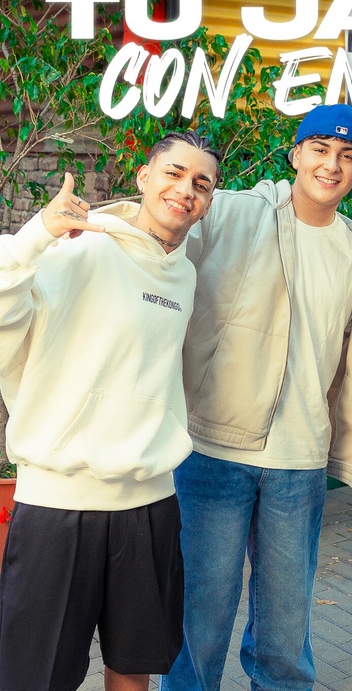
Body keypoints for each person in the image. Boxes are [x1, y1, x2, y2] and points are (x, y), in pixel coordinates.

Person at [160, 104, 352, 691]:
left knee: (285, 627)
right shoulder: (233, 213)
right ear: (297, 154)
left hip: (299, 461)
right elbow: (157, 237)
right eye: (320, 150)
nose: (332, 165)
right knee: (199, 617)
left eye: (347, 156)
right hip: (214, 450)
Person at [0, 130, 220, 691]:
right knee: (35, 677)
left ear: (208, 202)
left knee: (132, 667)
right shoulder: (79, 246)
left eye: (201, 183)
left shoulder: (184, 273)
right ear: (144, 177)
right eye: (173, 173)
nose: (186, 190)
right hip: (57, 504)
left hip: (148, 502)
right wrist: (35, 235)